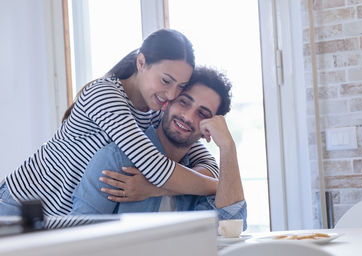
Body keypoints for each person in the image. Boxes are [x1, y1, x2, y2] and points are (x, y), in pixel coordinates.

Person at [0, 29, 219, 216]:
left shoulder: (155, 110)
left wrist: (156, 190)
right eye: (165, 80)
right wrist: (219, 188)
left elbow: (206, 164)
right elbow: (157, 170)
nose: (171, 94)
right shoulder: (105, 95)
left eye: (180, 86)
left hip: (60, 217)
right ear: (141, 63)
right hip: (18, 207)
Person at [71, 67, 247, 228]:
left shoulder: (200, 171)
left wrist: (228, 147)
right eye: (184, 102)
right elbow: (79, 237)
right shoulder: (116, 160)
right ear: (167, 102)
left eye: (202, 113)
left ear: (208, 130)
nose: (187, 116)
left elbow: (230, 226)